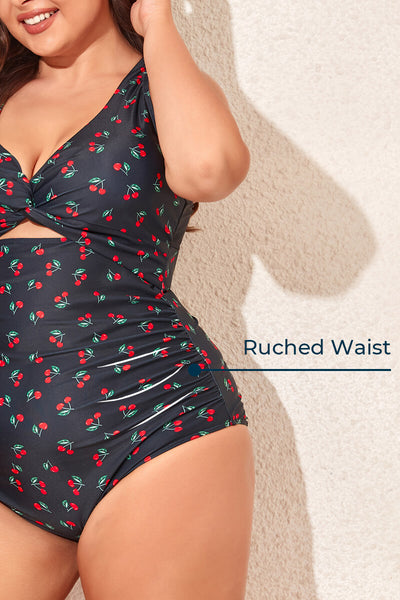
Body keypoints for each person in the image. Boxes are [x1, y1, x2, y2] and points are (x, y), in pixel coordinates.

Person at [0, 1, 255, 598]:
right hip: (13, 458)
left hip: (155, 429)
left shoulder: (155, 89)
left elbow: (208, 171)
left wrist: (157, 21)